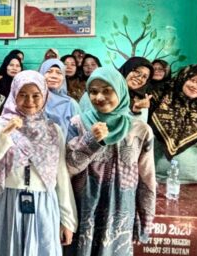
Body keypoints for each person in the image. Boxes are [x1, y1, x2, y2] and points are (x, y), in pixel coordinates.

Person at [0, 71, 77, 255]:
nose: (29, 101)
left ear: (45, 96)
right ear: (14, 94)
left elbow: (61, 175)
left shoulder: (53, 129)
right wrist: (5, 133)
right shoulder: (1, 124)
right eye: (22, 94)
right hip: (9, 202)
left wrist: (68, 220)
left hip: (44, 203)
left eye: (35, 95)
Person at [66, 67, 156, 255]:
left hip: (120, 214)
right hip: (83, 211)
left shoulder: (140, 130)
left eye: (107, 91)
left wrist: (145, 219)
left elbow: (147, 179)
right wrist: (91, 141)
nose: (99, 97)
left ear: (121, 91)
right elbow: (68, 168)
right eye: (93, 91)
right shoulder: (77, 123)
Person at [39, 59, 81, 141]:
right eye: (49, 71)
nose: (54, 76)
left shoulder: (70, 104)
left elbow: (79, 134)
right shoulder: (32, 101)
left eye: (59, 73)